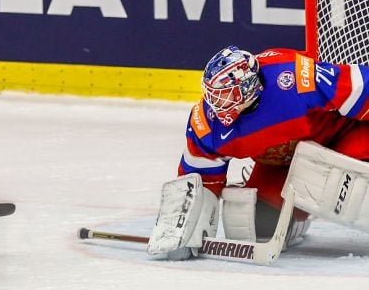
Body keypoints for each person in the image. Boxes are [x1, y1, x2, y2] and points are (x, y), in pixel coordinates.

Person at [147, 45, 369, 260]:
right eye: (214, 96)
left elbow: (360, 86)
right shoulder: (207, 122)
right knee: (259, 225)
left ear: (246, 88)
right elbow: (199, 178)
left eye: (224, 95)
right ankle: (299, 213)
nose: (216, 104)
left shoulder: (293, 78)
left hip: (343, 138)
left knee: (351, 189)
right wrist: (185, 228)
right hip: (285, 167)